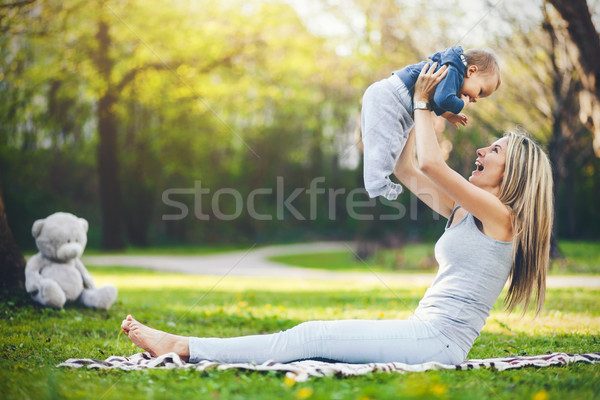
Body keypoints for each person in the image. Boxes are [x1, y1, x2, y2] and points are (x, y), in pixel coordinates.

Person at [121, 63, 553, 366]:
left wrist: (424, 104)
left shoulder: (502, 217)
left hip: (437, 344)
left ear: (513, 170)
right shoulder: (466, 210)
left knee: (312, 336)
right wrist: (407, 108)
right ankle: (186, 346)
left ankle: (183, 347)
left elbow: (431, 165)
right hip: (423, 333)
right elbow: (406, 168)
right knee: (311, 337)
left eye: (493, 150)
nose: (480, 150)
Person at [362, 46, 501, 200]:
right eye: (480, 91)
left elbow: (435, 100)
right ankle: (377, 185)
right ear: (471, 71)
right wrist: (461, 105)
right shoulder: (454, 70)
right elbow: (443, 99)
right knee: (386, 144)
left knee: (389, 144)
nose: (475, 99)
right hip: (391, 99)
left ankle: (378, 182)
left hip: (392, 100)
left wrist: (449, 115)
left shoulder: (451, 73)